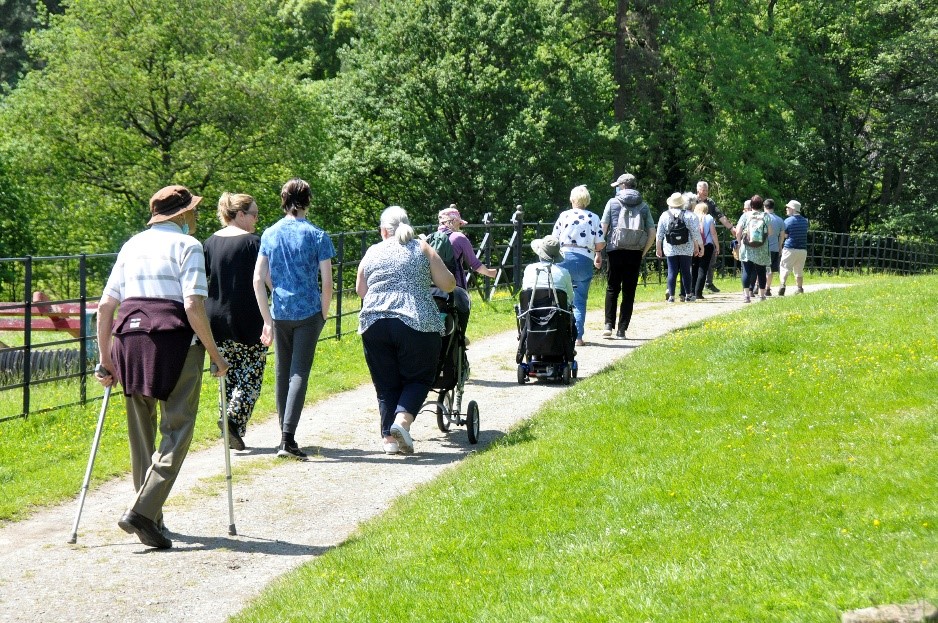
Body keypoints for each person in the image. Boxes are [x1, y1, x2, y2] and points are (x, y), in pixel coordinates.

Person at [94, 185, 229, 549]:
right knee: (178, 429)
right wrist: (216, 356)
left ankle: (149, 516)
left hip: (128, 341)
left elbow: (106, 307)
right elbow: (193, 306)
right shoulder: (189, 247)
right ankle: (141, 513)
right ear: (181, 215)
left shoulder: (131, 245)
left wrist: (105, 358)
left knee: (141, 435)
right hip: (174, 344)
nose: (196, 217)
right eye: (193, 211)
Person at [357, 206, 456, 455]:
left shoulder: (372, 251)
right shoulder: (422, 248)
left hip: (374, 323)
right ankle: (402, 423)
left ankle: (389, 441)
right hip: (416, 321)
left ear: (383, 231)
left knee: (386, 384)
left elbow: (361, 289)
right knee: (420, 378)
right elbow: (448, 284)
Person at [252, 179, 334, 460]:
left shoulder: (270, 233)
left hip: (280, 311)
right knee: (299, 373)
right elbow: (327, 282)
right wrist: (323, 315)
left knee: (282, 372)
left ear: (284, 200)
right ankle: (288, 439)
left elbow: (258, 278)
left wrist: (267, 318)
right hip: (308, 311)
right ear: (307, 200)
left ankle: (283, 434)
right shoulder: (318, 235)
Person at [203, 192, 266, 451]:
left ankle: (230, 426)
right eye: (253, 214)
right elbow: (264, 279)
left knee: (225, 371)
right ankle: (232, 421)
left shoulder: (208, 243)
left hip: (215, 318)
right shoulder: (254, 243)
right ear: (240, 214)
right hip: (247, 317)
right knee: (252, 373)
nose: (256, 219)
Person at [600, 174, 655, 340]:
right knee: (629, 290)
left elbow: (603, 228)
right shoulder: (643, 206)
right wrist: (642, 251)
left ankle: (608, 325)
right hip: (635, 252)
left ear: (623, 186)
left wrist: (601, 250)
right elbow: (652, 232)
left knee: (612, 288)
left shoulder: (612, 203)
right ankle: (622, 330)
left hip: (615, 249)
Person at [552, 185, 605, 346]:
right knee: (580, 300)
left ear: (572, 199)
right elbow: (600, 244)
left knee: (559, 297)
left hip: (564, 258)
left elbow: (553, 239)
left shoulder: (564, 216)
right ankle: (578, 337)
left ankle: (558, 335)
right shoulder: (594, 218)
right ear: (587, 200)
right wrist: (596, 252)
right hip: (584, 259)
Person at [437, 205, 497, 336]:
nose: (460, 226)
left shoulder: (430, 238)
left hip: (433, 287)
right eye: (459, 223)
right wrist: (490, 273)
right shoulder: (458, 237)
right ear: (452, 222)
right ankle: (461, 337)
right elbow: (474, 264)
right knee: (464, 308)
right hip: (454, 286)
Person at [656, 192, 703, 303]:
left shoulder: (665, 215)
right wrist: (699, 246)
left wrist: (658, 248)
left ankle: (671, 296)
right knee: (686, 271)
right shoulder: (690, 215)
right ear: (682, 203)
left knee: (672, 271)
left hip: (670, 248)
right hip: (686, 247)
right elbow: (695, 233)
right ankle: (688, 295)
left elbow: (659, 234)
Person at [696, 180, 735, 292]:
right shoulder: (692, 201)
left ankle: (709, 283)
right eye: (703, 190)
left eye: (706, 190)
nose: (705, 192)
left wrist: (731, 228)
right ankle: (695, 285)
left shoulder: (710, 203)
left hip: (707, 236)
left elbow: (720, 216)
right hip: (695, 236)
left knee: (711, 261)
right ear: (698, 190)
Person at [735, 194, 771, 302]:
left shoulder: (745, 215)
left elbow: (738, 231)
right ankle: (762, 296)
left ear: (751, 205)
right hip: (762, 248)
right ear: (761, 205)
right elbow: (770, 232)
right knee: (761, 271)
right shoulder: (765, 216)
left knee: (746, 271)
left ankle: (746, 296)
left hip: (747, 247)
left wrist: (739, 242)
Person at [521, 234, 574, 301]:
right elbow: (571, 296)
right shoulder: (564, 272)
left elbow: (525, 289)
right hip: (558, 310)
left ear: (540, 253)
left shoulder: (529, 269)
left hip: (531, 310)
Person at [778, 199, 809, 295]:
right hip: (802, 249)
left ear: (792, 209)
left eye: (788, 208)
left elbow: (785, 235)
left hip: (790, 248)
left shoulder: (787, 221)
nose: (786, 209)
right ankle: (799, 288)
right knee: (799, 270)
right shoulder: (805, 221)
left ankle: (782, 285)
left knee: (784, 267)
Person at [691, 201, 720, 299]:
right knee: (703, 269)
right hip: (707, 246)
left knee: (693, 268)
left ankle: (691, 291)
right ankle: (698, 293)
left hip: (694, 245)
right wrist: (717, 246)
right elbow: (713, 233)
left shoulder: (692, 217)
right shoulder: (709, 218)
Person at [762, 198, 786, 296]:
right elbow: (782, 236)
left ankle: (758, 287)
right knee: (770, 269)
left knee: (759, 268)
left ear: (764, 206)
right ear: (773, 207)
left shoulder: (762, 217)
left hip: (761, 247)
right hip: (774, 248)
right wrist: (780, 247)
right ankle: (767, 288)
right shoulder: (780, 220)